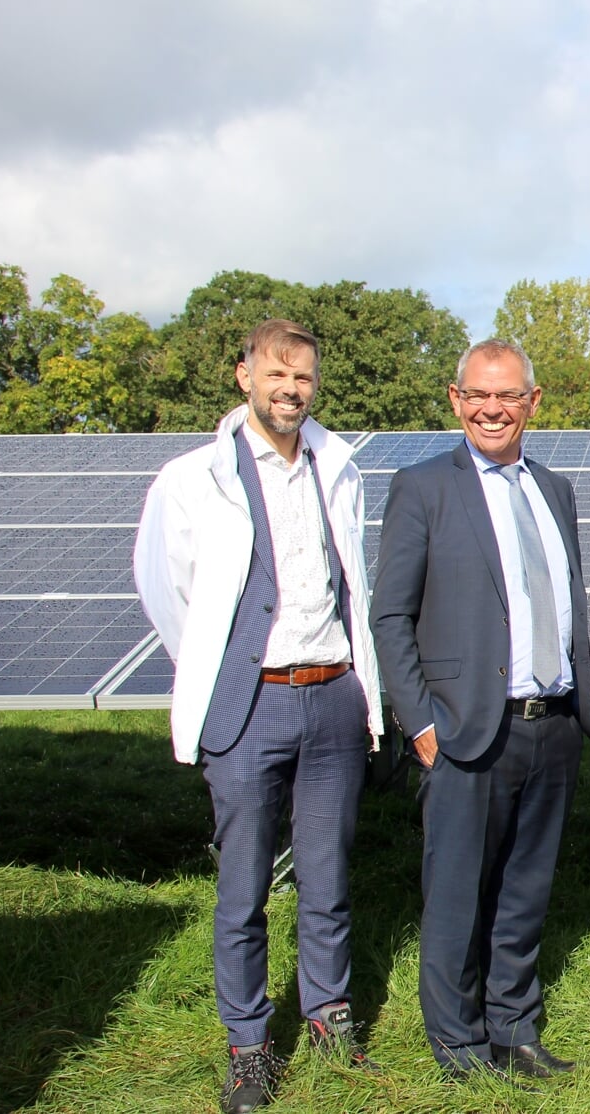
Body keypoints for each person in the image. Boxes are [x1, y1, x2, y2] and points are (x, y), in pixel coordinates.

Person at [133, 319, 385, 1113]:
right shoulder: (191, 479)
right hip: (249, 704)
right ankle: (248, 1047)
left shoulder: (337, 468)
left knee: (328, 877)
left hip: (335, 694)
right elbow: (165, 590)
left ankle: (329, 1019)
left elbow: (353, 584)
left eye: (304, 377)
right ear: (243, 376)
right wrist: (223, 667)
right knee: (242, 888)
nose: (290, 389)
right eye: (276, 374)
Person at [369, 338, 590, 1083]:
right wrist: (422, 724)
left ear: (533, 403)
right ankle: (458, 1045)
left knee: (526, 891)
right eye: (477, 395)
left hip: (551, 725)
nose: (492, 409)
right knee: (458, 894)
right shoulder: (424, 487)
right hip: (466, 728)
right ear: (454, 399)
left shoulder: (554, 489)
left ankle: (514, 1028)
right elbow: (389, 617)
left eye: (508, 397)